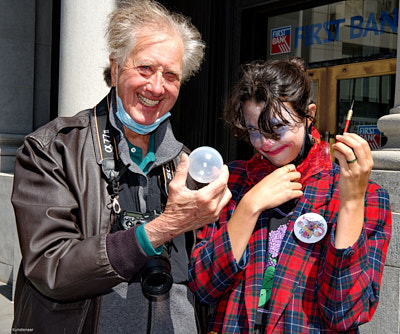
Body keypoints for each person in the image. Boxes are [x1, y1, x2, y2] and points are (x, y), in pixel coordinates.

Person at [11, 1, 231, 333]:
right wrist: (159, 230)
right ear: (115, 69)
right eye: (145, 68)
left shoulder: (187, 162)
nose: (157, 87)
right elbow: (50, 268)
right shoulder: (54, 148)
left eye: (170, 74)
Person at [188, 57, 392, 333]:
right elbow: (204, 285)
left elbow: (343, 312)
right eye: (253, 131)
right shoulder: (231, 181)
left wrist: (352, 202)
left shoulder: (363, 194)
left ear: (308, 114)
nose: (264, 143)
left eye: (276, 128)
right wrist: (249, 206)